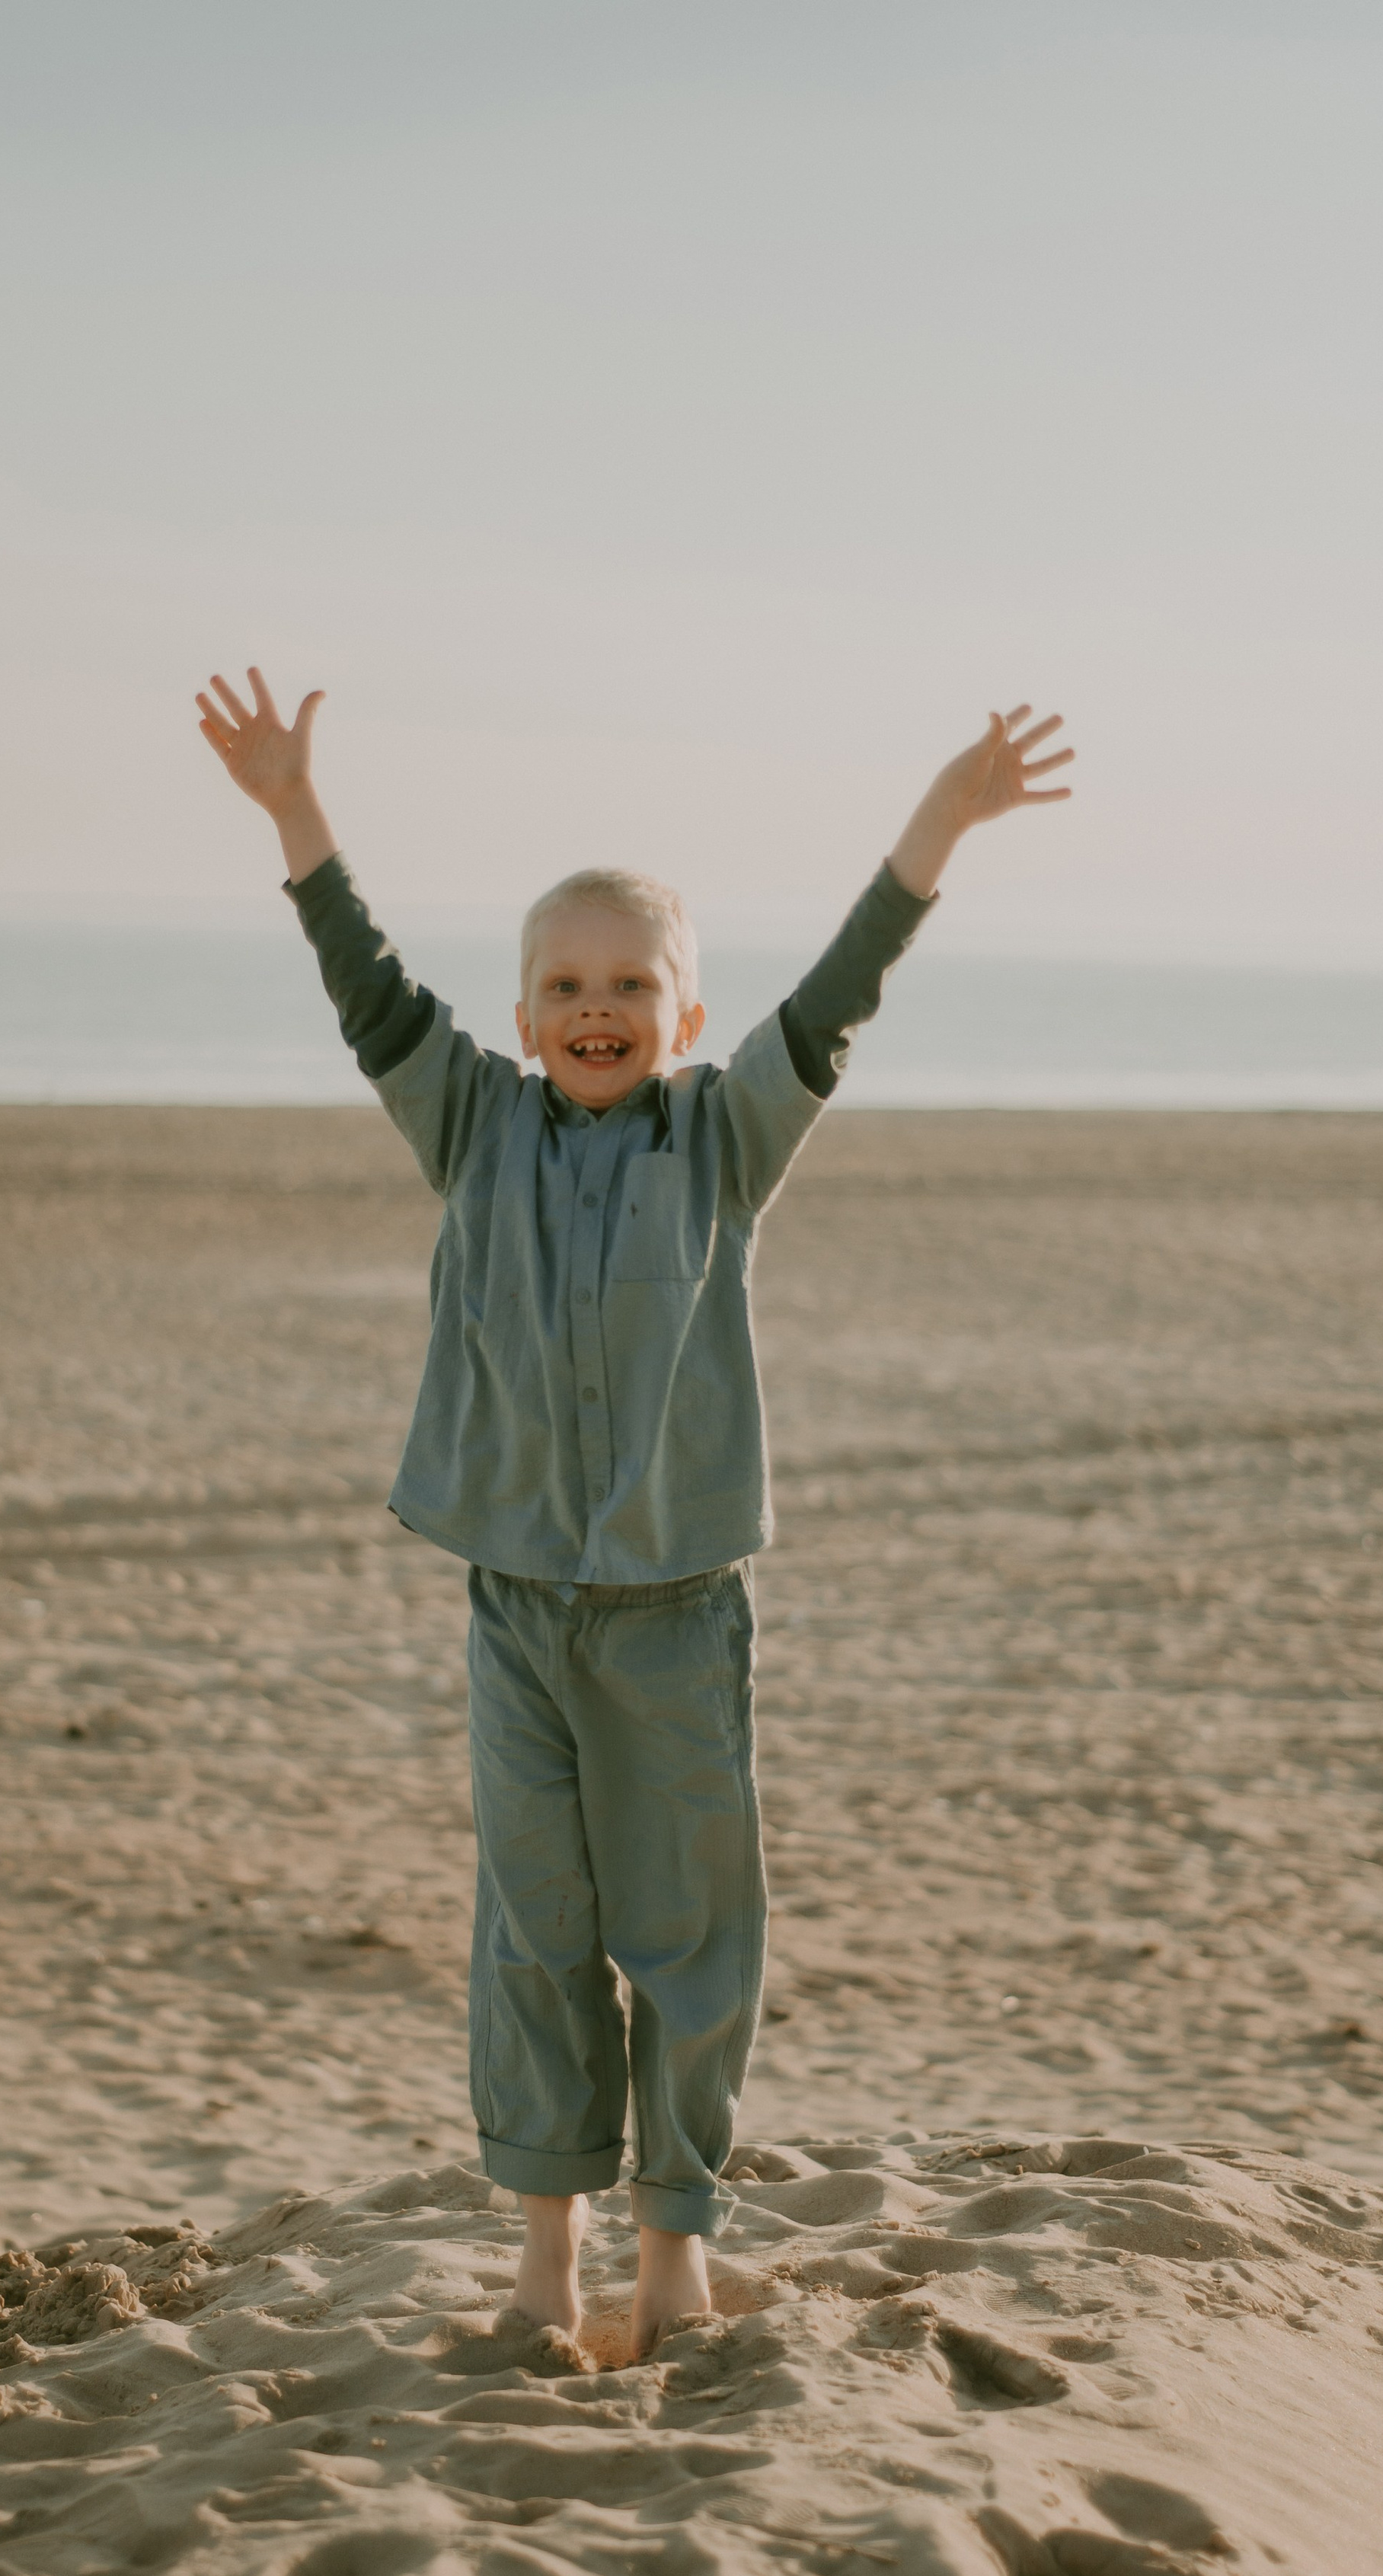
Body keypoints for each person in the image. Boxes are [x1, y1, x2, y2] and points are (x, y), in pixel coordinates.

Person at [195, 666, 1072, 2357]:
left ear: (678, 1016)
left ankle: (671, 2251)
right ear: (522, 1017)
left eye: (629, 984)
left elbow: (835, 996)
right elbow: (366, 986)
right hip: (514, 1610)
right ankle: (544, 2259)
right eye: (561, 985)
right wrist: (296, 815)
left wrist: (937, 824)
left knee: (684, 1942)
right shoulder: (466, 1128)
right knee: (533, 1937)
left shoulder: (722, 1142)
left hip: (673, 1612)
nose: (594, 1008)